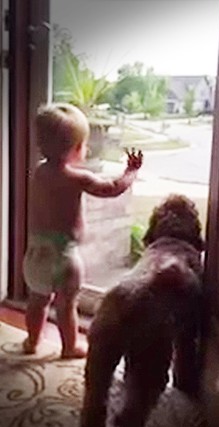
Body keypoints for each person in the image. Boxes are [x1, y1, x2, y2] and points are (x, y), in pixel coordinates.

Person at [23, 103, 143, 359]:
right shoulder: (78, 178)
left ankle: (32, 341)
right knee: (67, 306)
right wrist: (131, 172)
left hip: (34, 256)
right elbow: (112, 187)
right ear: (77, 148)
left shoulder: (38, 173)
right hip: (63, 258)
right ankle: (70, 347)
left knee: (37, 301)